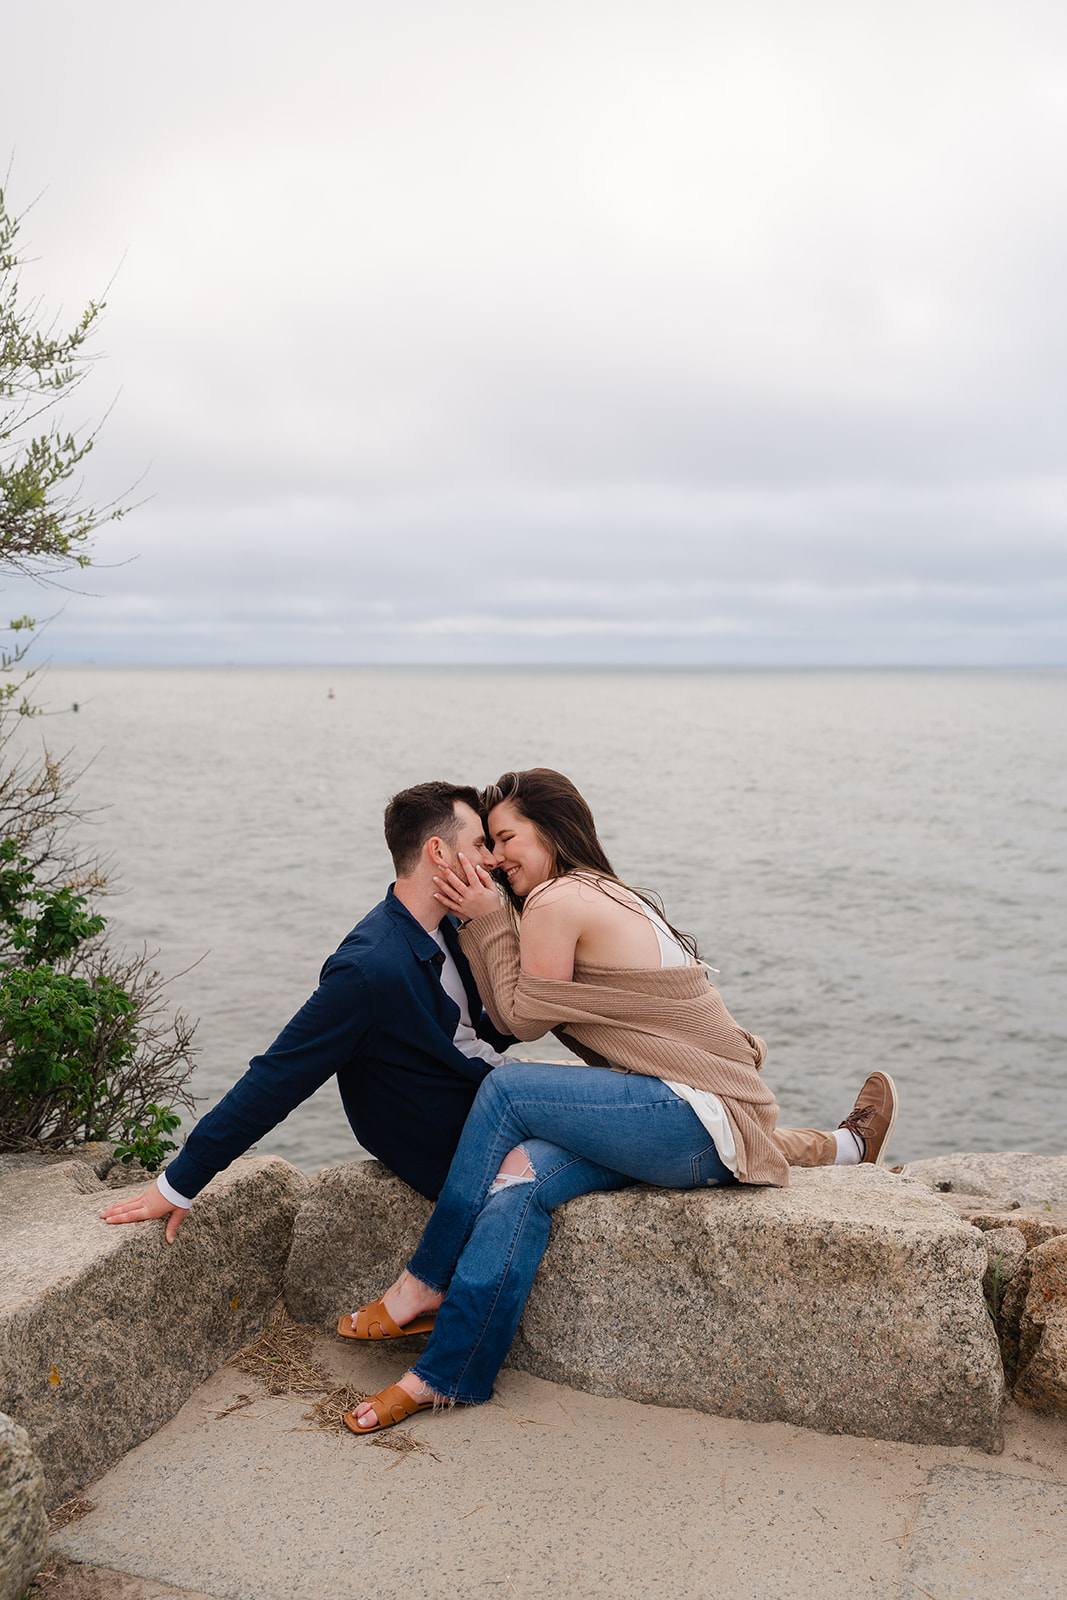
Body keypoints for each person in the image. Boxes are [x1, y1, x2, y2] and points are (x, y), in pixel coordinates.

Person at [345, 768, 898, 1433]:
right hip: (688, 1122)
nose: (494, 858)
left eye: (506, 837)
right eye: (488, 843)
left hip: (689, 1116)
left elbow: (518, 1019)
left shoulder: (559, 898)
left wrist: (487, 918)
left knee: (509, 1087)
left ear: (551, 830)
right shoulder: (580, 893)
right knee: (517, 1178)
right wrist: (481, 923)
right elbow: (517, 1005)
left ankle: (424, 1281)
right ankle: (448, 1374)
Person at [100, 782, 517, 1240]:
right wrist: (180, 1183)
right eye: (480, 844)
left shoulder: (455, 928)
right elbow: (279, 1076)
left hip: (487, 1094)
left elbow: (474, 1031)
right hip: (457, 1143)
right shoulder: (368, 969)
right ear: (438, 851)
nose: (492, 858)